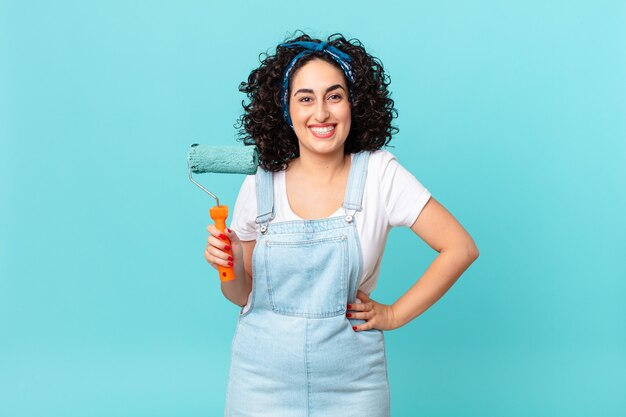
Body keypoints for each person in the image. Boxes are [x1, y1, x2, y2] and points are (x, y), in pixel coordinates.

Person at [204, 32, 479, 417]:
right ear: (285, 109)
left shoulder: (380, 174)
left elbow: (460, 247)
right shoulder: (260, 179)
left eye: (334, 96)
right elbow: (241, 294)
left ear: (354, 104)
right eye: (305, 99)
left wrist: (394, 314)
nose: (321, 114)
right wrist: (228, 262)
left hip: (354, 385)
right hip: (259, 382)